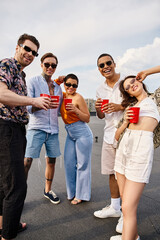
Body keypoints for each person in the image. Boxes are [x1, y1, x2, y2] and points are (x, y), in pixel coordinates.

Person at [0, 34, 51, 240]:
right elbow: (1, 93)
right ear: (17, 47)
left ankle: (5, 226)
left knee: (5, 183)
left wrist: (36, 105)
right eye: (27, 49)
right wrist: (33, 100)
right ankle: (8, 235)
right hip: (7, 129)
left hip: (16, 129)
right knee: (17, 185)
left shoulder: (20, 75)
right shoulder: (7, 65)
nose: (30, 54)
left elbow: (21, 105)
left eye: (34, 52)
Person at [110, 75, 159, 240]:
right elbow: (116, 136)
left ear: (140, 81)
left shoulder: (156, 98)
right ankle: (132, 236)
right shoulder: (130, 107)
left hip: (140, 153)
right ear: (129, 94)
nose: (132, 85)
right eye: (128, 87)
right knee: (126, 206)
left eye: (133, 81)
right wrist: (126, 121)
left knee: (128, 206)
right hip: (123, 152)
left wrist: (147, 71)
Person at [24, 53, 63, 204]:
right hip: (36, 128)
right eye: (47, 64)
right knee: (27, 161)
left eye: (53, 65)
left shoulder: (58, 87)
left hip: (53, 129)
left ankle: (47, 190)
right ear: (41, 65)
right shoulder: (33, 81)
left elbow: (59, 108)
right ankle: (19, 195)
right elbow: (28, 107)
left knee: (51, 161)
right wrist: (40, 104)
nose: (50, 67)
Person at [94, 53, 124, 232]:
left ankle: (126, 215)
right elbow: (100, 116)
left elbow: (139, 103)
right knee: (112, 173)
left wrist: (120, 107)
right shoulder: (99, 89)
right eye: (101, 65)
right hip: (108, 135)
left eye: (108, 63)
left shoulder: (126, 80)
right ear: (98, 69)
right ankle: (114, 207)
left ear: (114, 64)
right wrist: (98, 108)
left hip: (126, 134)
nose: (105, 66)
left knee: (125, 175)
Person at [60, 73, 93, 204]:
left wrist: (75, 110)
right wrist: (58, 80)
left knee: (82, 165)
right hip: (70, 133)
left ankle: (81, 195)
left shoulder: (78, 98)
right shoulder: (62, 96)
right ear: (64, 84)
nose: (71, 87)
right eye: (68, 84)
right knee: (68, 163)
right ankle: (72, 192)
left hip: (82, 133)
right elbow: (52, 86)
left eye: (74, 85)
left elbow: (87, 118)